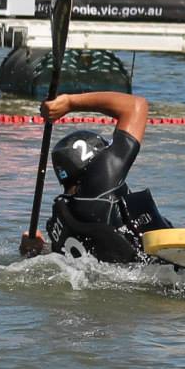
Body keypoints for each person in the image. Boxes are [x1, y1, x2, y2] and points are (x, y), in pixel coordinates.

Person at [19, 91, 171, 260]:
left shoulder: (63, 218)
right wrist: (70, 102)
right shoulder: (99, 182)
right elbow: (135, 106)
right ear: (93, 160)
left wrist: (37, 251)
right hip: (164, 276)